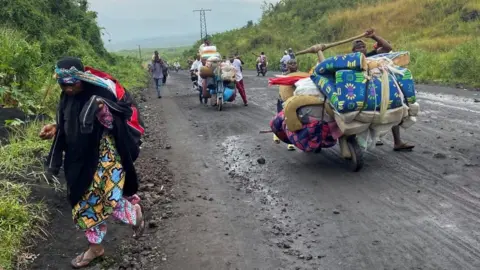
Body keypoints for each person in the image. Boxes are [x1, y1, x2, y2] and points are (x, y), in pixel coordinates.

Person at [39, 57, 145, 268]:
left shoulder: (101, 94)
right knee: (82, 203)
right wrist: (55, 127)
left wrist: (101, 108)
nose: (68, 89)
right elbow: (67, 121)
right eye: (64, 84)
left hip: (104, 158)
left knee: (106, 199)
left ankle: (134, 214)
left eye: (73, 83)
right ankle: (96, 247)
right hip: (77, 159)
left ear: (81, 78)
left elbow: (115, 121)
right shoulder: (66, 95)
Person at [352, 28, 414, 151]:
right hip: (361, 94)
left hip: (378, 90)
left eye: (362, 46)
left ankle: (397, 142)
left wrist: (374, 36)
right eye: (357, 47)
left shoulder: (372, 56)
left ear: (366, 49)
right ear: (353, 51)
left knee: (392, 109)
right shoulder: (350, 61)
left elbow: (387, 48)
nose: (360, 47)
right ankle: (358, 144)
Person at [273, 58, 298, 151]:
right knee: (283, 119)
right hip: (283, 101)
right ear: (287, 66)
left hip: (296, 100)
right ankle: (287, 141)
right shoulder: (284, 76)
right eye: (291, 63)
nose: (293, 65)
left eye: (294, 63)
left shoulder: (300, 75)